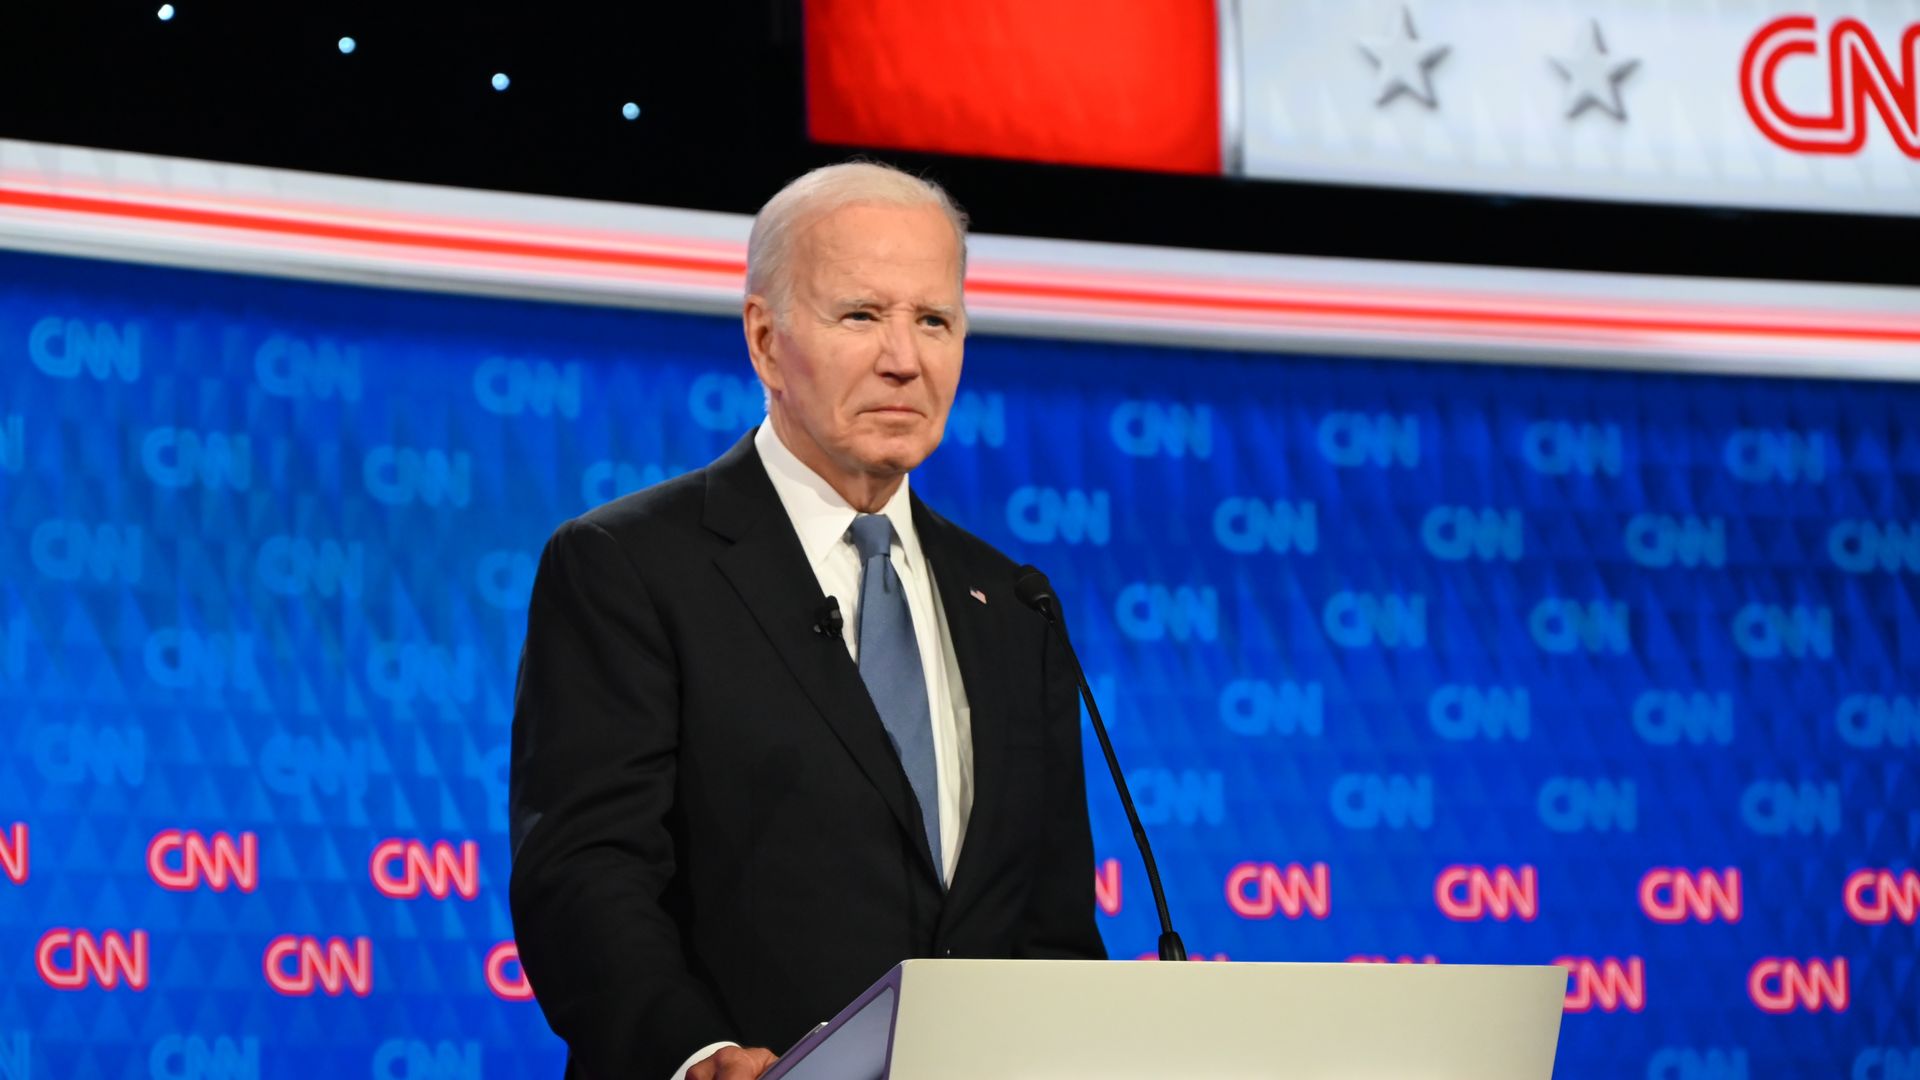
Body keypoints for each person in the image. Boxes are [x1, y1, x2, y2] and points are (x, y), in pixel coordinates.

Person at [507, 161, 1107, 1080]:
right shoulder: (629, 566)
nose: (904, 358)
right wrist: (696, 1053)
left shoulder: (1013, 603)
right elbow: (586, 873)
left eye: (934, 320)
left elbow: (1052, 926)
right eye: (861, 315)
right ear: (765, 340)